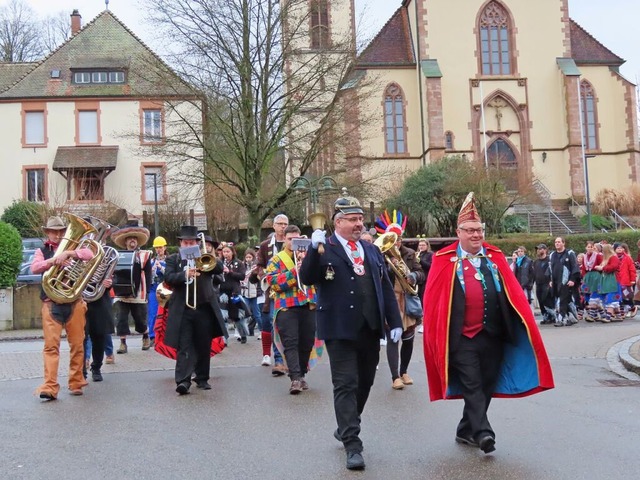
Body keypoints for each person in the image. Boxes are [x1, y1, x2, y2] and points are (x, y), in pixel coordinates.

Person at [423, 192, 554, 455]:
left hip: (493, 334)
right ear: (458, 232)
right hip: (461, 337)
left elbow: (513, 293)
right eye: (469, 230)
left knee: (486, 383)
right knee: (472, 382)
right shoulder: (443, 260)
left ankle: (464, 429)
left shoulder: (494, 258)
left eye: (479, 230)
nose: (475, 235)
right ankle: (483, 433)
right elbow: (433, 302)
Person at [299, 188, 403, 471]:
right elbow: (307, 278)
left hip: (369, 328)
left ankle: (346, 426)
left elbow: (384, 286)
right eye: (352, 219)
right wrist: (312, 249)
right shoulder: (325, 247)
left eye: (360, 219)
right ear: (337, 223)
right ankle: (353, 445)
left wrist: (394, 322)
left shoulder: (371, 249)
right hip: (339, 328)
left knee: (366, 382)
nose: (359, 224)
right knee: (345, 383)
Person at [31, 216, 96, 399]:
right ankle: (50, 387)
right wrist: (53, 261)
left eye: (61, 231)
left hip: (74, 303)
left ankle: (76, 382)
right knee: (51, 347)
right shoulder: (42, 251)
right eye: (54, 231)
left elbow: (90, 254)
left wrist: (69, 254)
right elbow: (34, 268)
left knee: (77, 345)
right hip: (51, 304)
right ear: (47, 233)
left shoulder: (73, 246)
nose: (58, 235)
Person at [163, 225, 226, 394]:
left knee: (203, 344)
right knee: (184, 345)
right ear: (181, 244)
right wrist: (184, 275)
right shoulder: (174, 259)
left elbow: (220, 269)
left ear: (197, 243)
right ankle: (183, 380)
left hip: (204, 307)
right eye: (186, 242)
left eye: (192, 242)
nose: (189, 245)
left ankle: (202, 378)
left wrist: (209, 258)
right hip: (183, 309)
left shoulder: (203, 257)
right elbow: (168, 277)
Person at [374, 210, 425, 390]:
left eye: (399, 239)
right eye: (393, 239)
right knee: (393, 338)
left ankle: (404, 371)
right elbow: (378, 277)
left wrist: (413, 276)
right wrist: (389, 268)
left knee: (409, 338)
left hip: (408, 298)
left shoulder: (410, 253)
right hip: (391, 300)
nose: (397, 242)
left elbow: (421, 273)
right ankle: (394, 376)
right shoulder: (381, 254)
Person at [265, 225, 317, 394]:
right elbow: (275, 283)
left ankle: (301, 374)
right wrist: (295, 271)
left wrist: (308, 263)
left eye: (297, 239)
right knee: (291, 343)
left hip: (308, 304)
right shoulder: (276, 260)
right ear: (285, 240)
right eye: (290, 239)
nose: (293, 242)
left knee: (307, 342)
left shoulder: (309, 257)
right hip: (286, 306)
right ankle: (295, 378)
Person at [111, 225, 152, 353]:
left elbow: (149, 274)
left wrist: (147, 291)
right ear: (125, 241)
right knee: (121, 318)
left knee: (140, 320)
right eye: (129, 238)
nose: (132, 240)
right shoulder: (118, 255)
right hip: (121, 293)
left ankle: (145, 336)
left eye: (134, 238)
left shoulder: (144, 255)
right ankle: (123, 344)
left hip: (138, 293)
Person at [256, 214, 289, 372]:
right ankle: (278, 360)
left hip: (290, 288)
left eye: (285, 224)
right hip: (272, 291)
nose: (283, 226)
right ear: (274, 226)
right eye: (280, 224)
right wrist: (265, 276)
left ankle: (286, 359)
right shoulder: (265, 245)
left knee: (286, 326)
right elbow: (259, 265)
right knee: (274, 323)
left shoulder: (293, 243)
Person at [220, 244, 249, 343]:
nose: (226, 254)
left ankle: (243, 335)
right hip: (222, 294)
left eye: (228, 251)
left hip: (234, 293)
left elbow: (242, 276)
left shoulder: (239, 263)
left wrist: (230, 272)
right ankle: (224, 340)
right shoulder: (220, 263)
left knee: (238, 316)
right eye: (224, 252)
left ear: (232, 252)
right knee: (223, 317)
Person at [549, 237, 580, 327]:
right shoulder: (552, 255)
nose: (557, 244)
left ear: (563, 243)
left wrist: (572, 280)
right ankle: (573, 317)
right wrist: (550, 280)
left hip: (566, 281)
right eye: (555, 242)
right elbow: (550, 268)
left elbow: (574, 267)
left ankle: (561, 319)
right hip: (555, 282)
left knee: (562, 301)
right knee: (567, 300)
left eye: (559, 242)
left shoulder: (570, 253)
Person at [148, 236, 168, 348]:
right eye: (156, 248)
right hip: (153, 288)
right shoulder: (151, 261)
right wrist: (152, 270)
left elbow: (170, 275)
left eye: (160, 247)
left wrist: (161, 268)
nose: (158, 250)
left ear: (165, 247)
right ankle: (152, 336)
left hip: (164, 288)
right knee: (153, 313)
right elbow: (147, 277)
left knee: (165, 313)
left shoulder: (169, 261)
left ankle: (164, 336)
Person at [594, 244, 622, 322]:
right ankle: (618, 315)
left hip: (613, 280)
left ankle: (608, 317)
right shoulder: (606, 259)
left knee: (611, 297)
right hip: (607, 280)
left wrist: (602, 267)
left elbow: (613, 267)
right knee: (613, 298)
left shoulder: (613, 257)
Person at [532, 244, 556, 325]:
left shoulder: (549, 260)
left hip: (547, 284)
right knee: (540, 301)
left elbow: (553, 272)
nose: (539, 250)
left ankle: (552, 316)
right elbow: (533, 274)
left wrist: (551, 281)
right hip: (538, 284)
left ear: (545, 250)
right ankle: (545, 316)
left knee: (547, 300)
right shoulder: (536, 262)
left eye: (541, 249)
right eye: (538, 249)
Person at [581, 241, 603, 322]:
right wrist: (584, 277)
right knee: (587, 295)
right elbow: (583, 268)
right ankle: (601, 313)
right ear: (586, 248)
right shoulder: (584, 257)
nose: (590, 249)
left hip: (595, 275)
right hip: (588, 276)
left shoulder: (597, 256)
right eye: (588, 247)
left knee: (594, 295)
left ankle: (592, 315)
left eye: (591, 247)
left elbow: (601, 265)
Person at [241, 248, 261, 336]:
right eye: (246, 257)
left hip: (255, 294)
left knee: (257, 315)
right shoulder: (242, 266)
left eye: (250, 257)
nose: (248, 259)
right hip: (245, 293)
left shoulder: (256, 266)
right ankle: (242, 332)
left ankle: (262, 331)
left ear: (253, 257)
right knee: (243, 313)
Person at [614, 242, 637, 318]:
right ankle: (622, 312)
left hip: (625, 280)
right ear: (615, 249)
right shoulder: (613, 258)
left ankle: (632, 307)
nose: (620, 249)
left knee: (626, 296)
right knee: (619, 297)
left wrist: (632, 279)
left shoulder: (627, 258)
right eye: (618, 248)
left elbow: (632, 269)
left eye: (621, 248)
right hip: (617, 280)